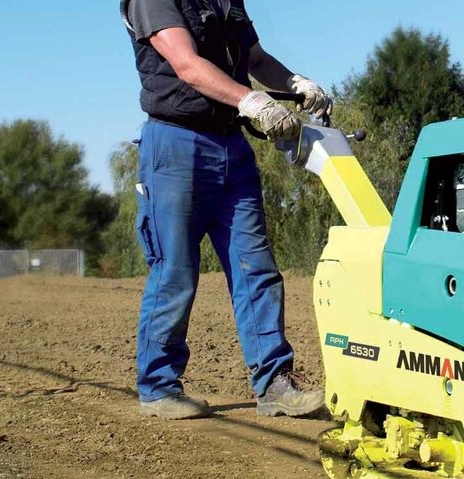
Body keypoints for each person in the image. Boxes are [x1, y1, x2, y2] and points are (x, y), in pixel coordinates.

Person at [121, 0, 328, 419]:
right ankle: (159, 386)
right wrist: (253, 101)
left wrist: (295, 84)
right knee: (175, 269)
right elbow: (186, 64)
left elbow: (254, 57)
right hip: (176, 144)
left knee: (257, 267)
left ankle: (274, 383)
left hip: (232, 145)